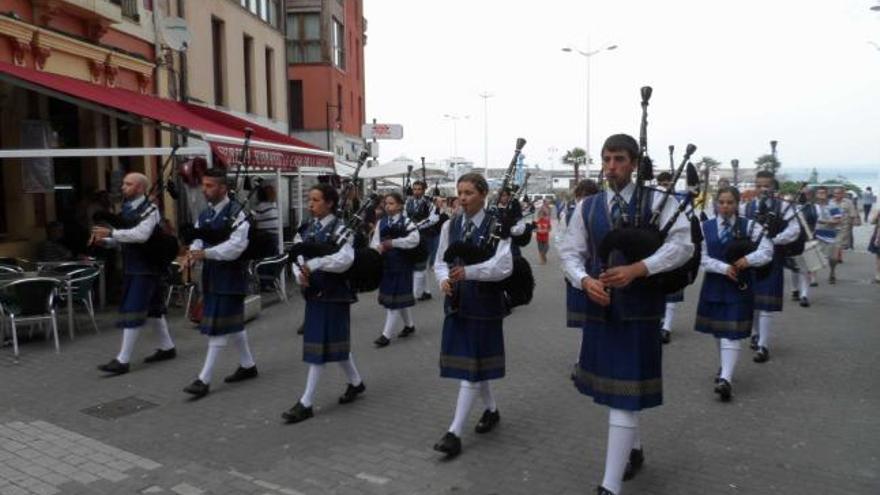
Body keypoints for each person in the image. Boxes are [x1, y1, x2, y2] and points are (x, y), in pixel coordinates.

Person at [559, 134, 693, 495]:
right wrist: (584, 280)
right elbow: (570, 252)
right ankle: (633, 450)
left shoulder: (657, 202)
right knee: (619, 392)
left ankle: (610, 485)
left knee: (624, 395)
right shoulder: (588, 207)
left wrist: (640, 269)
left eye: (619, 159)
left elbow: (682, 245)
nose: (611, 167)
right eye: (606, 159)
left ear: (634, 163)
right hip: (601, 310)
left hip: (640, 311)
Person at [432, 172, 513, 459]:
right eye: (460, 192)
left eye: (468, 193)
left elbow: (503, 266)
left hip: (485, 305)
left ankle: (454, 432)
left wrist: (470, 272)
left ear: (483, 194)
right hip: (457, 303)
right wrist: (443, 279)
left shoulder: (497, 224)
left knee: (470, 367)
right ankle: (491, 411)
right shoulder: (450, 225)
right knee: (474, 363)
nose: (462, 198)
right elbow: (441, 260)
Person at [282, 183, 365, 424]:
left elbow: (344, 260)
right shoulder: (306, 229)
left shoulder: (342, 229)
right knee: (334, 342)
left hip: (335, 293)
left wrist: (315, 265)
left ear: (329, 203)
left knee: (318, 346)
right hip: (314, 292)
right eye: (309, 199)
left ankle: (306, 403)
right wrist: (301, 275)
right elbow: (298, 255)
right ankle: (356, 383)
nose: (310, 204)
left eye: (316, 200)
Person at [182, 168, 259, 398]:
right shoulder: (205, 215)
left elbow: (235, 248)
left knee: (218, 329)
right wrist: (192, 253)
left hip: (231, 277)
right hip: (212, 277)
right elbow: (198, 238)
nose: (205, 190)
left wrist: (206, 254)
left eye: (209, 186)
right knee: (233, 325)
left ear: (223, 188)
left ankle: (203, 379)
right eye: (204, 185)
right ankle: (248, 366)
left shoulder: (238, 214)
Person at [695, 187, 773, 402]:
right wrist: (722, 267)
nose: (725, 206)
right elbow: (699, 256)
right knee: (719, 331)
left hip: (740, 286)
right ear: (716, 203)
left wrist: (748, 260)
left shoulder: (751, 226)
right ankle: (724, 368)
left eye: (730, 202)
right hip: (715, 284)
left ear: (737, 203)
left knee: (731, 332)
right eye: (722, 202)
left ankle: (726, 379)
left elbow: (767, 250)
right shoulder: (705, 227)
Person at [94, 173, 176, 375]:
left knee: (133, 309)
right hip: (134, 266)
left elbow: (141, 236)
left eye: (128, 184)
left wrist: (112, 233)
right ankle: (167, 348)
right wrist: (106, 241)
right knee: (154, 310)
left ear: (140, 188)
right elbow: (125, 238)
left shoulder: (151, 209)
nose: (123, 187)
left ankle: (123, 360)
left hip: (146, 267)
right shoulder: (127, 209)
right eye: (123, 183)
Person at [741, 171, 801, 363]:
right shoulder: (747, 208)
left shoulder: (784, 207)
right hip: (750, 257)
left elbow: (794, 230)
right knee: (752, 302)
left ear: (774, 187)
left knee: (766, 304)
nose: (762, 189)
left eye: (766, 185)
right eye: (759, 185)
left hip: (773, 257)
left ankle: (763, 346)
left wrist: (774, 240)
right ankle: (756, 334)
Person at [372, 192, 420, 347]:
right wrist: (376, 251)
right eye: (386, 203)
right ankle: (409, 325)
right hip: (386, 265)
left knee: (394, 301)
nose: (387, 206)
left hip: (402, 265)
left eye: (391, 203)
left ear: (400, 205)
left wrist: (394, 243)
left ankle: (386, 335)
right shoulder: (381, 222)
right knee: (399, 298)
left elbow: (414, 239)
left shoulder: (407, 222)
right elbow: (374, 241)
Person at [656, 171, 682, 344]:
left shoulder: (680, 200)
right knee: (657, 289)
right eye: (663, 183)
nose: (666, 186)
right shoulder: (652, 199)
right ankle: (658, 320)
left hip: (674, 247)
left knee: (672, 293)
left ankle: (667, 328)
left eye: (668, 183)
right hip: (655, 248)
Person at [405, 181, 440, 301]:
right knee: (420, 264)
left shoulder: (430, 203)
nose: (416, 191)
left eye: (419, 189)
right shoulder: (408, 202)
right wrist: (409, 226)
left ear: (423, 190)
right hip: (412, 235)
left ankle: (418, 292)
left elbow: (434, 218)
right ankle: (426, 291)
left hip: (427, 236)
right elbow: (404, 216)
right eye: (414, 189)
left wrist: (417, 226)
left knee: (422, 262)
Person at [788, 186, 819, 307]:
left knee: (805, 269)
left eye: (807, 193)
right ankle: (795, 290)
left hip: (808, 240)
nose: (804, 196)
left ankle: (804, 295)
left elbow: (818, 224)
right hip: (793, 241)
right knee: (794, 269)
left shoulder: (815, 208)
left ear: (811, 195)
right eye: (802, 193)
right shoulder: (792, 208)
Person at [826, 187, 858, 283]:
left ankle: (832, 273)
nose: (837, 195)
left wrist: (851, 227)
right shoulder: (829, 203)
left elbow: (853, 216)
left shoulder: (848, 203)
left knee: (835, 254)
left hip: (842, 231)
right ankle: (832, 270)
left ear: (843, 194)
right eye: (835, 193)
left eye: (839, 193)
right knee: (830, 255)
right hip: (830, 230)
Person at [252, 183, 280, 255]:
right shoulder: (261, 206)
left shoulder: (274, 204)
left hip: (275, 235)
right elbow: (254, 221)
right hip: (267, 236)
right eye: (272, 192)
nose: (275, 194)